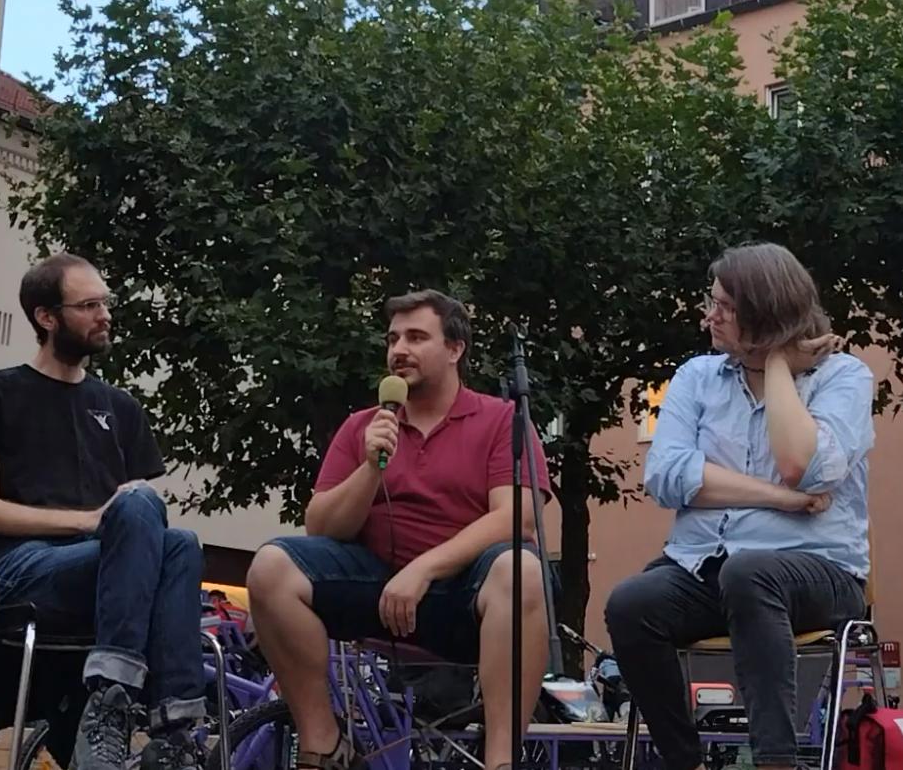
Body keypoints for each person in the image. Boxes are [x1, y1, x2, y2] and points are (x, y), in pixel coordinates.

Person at [247, 289, 552, 770]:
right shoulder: (364, 426)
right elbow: (322, 527)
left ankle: (500, 761)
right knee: (270, 567)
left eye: (415, 337)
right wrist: (370, 468)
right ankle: (324, 746)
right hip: (376, 585)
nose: (398, 350)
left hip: (467, 593)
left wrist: (425, 569)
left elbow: (517, 518)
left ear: (455, 349)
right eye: (392, 339)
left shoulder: (502, 420)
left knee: (523, 568)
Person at [606, 243, 873, 770]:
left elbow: (806, 466)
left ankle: (774, 761)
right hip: (707, 564)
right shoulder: (696, 377)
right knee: (631, 604)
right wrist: (779, 498)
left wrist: (776, 362)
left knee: (751, 573)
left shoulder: (844, 377)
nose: (710, 315)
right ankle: (684, 762)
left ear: (766, 309)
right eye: (712, 302)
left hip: (819, 571)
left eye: (724, 306)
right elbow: (666, 475)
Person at [0, 253, 205, 770]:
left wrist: (113, 520)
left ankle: (174, 732)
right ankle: (111, 701)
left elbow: (139, 523)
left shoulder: (122, 408)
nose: (105, 314)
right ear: (46, 317)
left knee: (181, 542)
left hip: (109, 575)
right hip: (22, 568)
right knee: (135, 506)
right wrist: (89, 521)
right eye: (88, 305)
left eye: (106, 302)